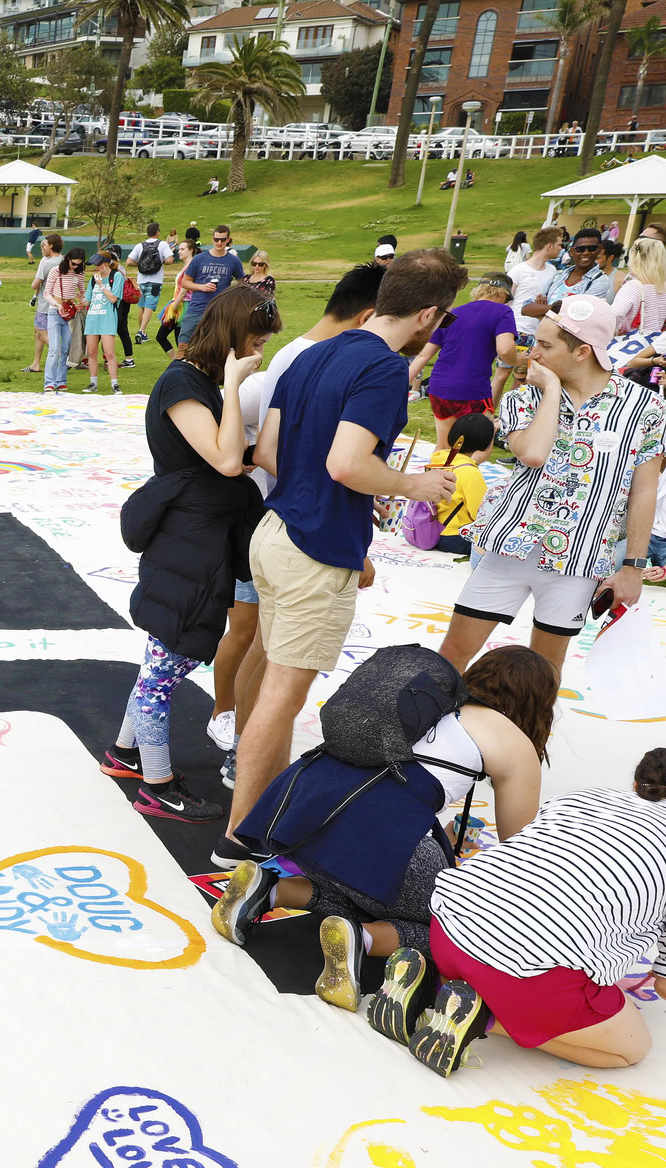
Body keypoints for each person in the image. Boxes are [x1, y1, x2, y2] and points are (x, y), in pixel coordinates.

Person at [220, 250, 468, 868]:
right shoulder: (382, 369)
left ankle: (260, 819)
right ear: (429, 314)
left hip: (276, 529)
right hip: (315, 545)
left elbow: (270, 450)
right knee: (283, 692)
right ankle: (240, 841)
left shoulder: (316, 351)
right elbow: (348, 464)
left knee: (274, 677)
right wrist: (414, 485)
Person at [213, 646, 556, 1012]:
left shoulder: (429, 701)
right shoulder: (514, 743)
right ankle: (363, 939)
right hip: (372, 839)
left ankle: (272, 889)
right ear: (538, 703)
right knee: (455, 924)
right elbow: (521, 849)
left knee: (365, 882)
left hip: (302, 815)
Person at [369, 749, 666, 1077]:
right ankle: (482, 1016)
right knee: (632, 1048)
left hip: (450, 926)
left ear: (637, 783)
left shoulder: (584, 796)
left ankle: (431, 983)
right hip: (527, 974)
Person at [102, 287, 276, 823]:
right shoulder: (183, 381)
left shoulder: (195, 381)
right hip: (189, 538)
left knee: (163, 650)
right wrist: (233, 380)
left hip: (199, 533)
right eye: (253, 343)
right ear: (230, 337)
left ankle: (126, 754)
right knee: (167, 661)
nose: (260, 354)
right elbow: (225, 461)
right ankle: (156, 783)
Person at [438, 294, 661, 679]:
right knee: (453, 654)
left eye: (543, 345)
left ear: (582, 352)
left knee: (545, 672)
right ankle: (420, 732)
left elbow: (644, 492)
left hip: (580, 561)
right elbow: (533, 453)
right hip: (508, 548)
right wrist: (554, 391)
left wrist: (632, 568)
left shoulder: (647, 408)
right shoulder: (524, 398)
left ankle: (528, 739)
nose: (531, 354)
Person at [406, 273, 519, 453]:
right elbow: (505, 351)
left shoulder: (454, 314)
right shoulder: (502, 312)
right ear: (500, 293)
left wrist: (401, 386)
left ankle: (436, 478)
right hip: (472, 390)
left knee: (444, 446)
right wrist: (520, 360)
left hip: (440, 387)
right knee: (482, 447)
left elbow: (423, 356)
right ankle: (464, 477)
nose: (506, 303)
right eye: (506, 298)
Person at [421, 412, 500, 556]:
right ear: (485, 443)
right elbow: (481, 513)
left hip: (429, 528)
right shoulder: (470, 473)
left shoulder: (438, 460)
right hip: (453, 536)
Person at [176, 225, 243, 346]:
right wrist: (202, 287)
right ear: (212, 239)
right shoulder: (199, 259)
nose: (219, 242)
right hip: (197, 308)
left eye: (223, 240)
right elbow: (185, 282)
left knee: (215, 347)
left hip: (219, 310)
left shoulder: (233, 261)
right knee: (183, 345)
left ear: (228, 240)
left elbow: (242, 283)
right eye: (216, 239)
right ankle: (180, 365)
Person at [41, 246, 86, 394]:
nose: (76, 266)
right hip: (55, 312)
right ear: (67, 259)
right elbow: (47, 293)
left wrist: (81, 303)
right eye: (74, 263)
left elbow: (83, 292)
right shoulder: (56, 271)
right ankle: (49, 381)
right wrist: (57, 305)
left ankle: (61, 380)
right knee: (54, 348)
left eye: (79, 264)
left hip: (70, 313)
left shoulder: (79, 274)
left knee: (66, 348)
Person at [83, 252, 124, 395]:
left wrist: (101, 285)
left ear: (106, 263)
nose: (96, 267)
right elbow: (87, 300)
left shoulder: (116, 276)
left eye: (98, 264)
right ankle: (93, 383)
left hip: (107, 319)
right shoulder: (93, 279)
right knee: (92, 352)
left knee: (109, 353)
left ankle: (115, 384)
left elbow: (114, 299)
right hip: (92, 319)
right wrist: (78, 300)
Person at [128, 222, 170, 343]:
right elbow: (170, 259)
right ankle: (141, 331)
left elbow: (129, 262)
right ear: (157, 232)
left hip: (142, 280)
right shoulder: (162, 244)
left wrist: (140, 264)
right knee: (149, 306)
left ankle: (143, 332)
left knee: (141, 306)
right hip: (155, 280)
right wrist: (160, 262)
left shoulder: (140, 245)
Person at [153, 242, 195, 354]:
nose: (179, 251)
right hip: (177, 303)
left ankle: (183, 363)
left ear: (191, 250)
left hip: (183, 305)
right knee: (162, 336)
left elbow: (184, 291)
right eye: (179, 249)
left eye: (182, 249)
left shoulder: (191, 266)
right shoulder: (186, 266)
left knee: (180, 340)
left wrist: (173, 307)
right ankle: (176, 362)